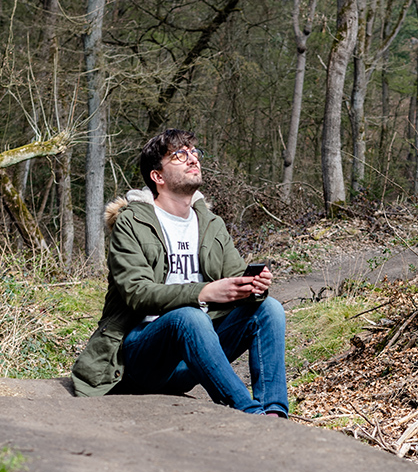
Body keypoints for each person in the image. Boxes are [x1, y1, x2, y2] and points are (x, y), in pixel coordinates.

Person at [72, 128, 288, 417]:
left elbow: (234, 277)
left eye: (194, 153)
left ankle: (274, 412)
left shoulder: (211, 223)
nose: (192, 159)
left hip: (195, 355)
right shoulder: (131, 223)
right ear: (157, 177)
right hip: (142, 354)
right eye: (179, 155)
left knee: (269, 309)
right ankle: (249, 413)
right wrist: (202, 292)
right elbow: (137, 293)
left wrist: (253, 285)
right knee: (189, 316)